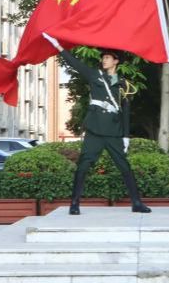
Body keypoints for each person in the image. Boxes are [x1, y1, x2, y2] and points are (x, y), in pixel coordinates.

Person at [43, 32, 151, 215]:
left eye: (107, 58)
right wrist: (58, 46)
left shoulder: (124, 85)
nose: (104, 60)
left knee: (124, 167)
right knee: (83, 166)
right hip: (95, 130)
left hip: (114, 132)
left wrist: (126, 136)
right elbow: (75, 63)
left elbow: (125, 112)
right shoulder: (95, 75)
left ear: (116, 61)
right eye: (103, 57)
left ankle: (137, 203)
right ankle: (74, 204)